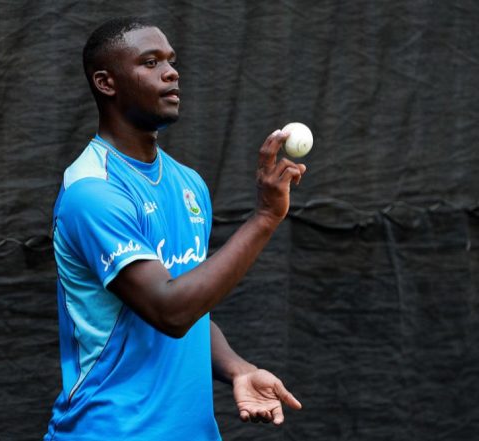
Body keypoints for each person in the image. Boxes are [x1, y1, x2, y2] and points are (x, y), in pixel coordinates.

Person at [44, 16, 305, 440]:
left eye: (171, 60)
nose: (171, 72)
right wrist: (264, 218)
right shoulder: (92, 191)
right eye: (150, 62)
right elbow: (171, 310)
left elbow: (194, 303)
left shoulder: (188, 183)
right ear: (106, 83)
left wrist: (239, 369)